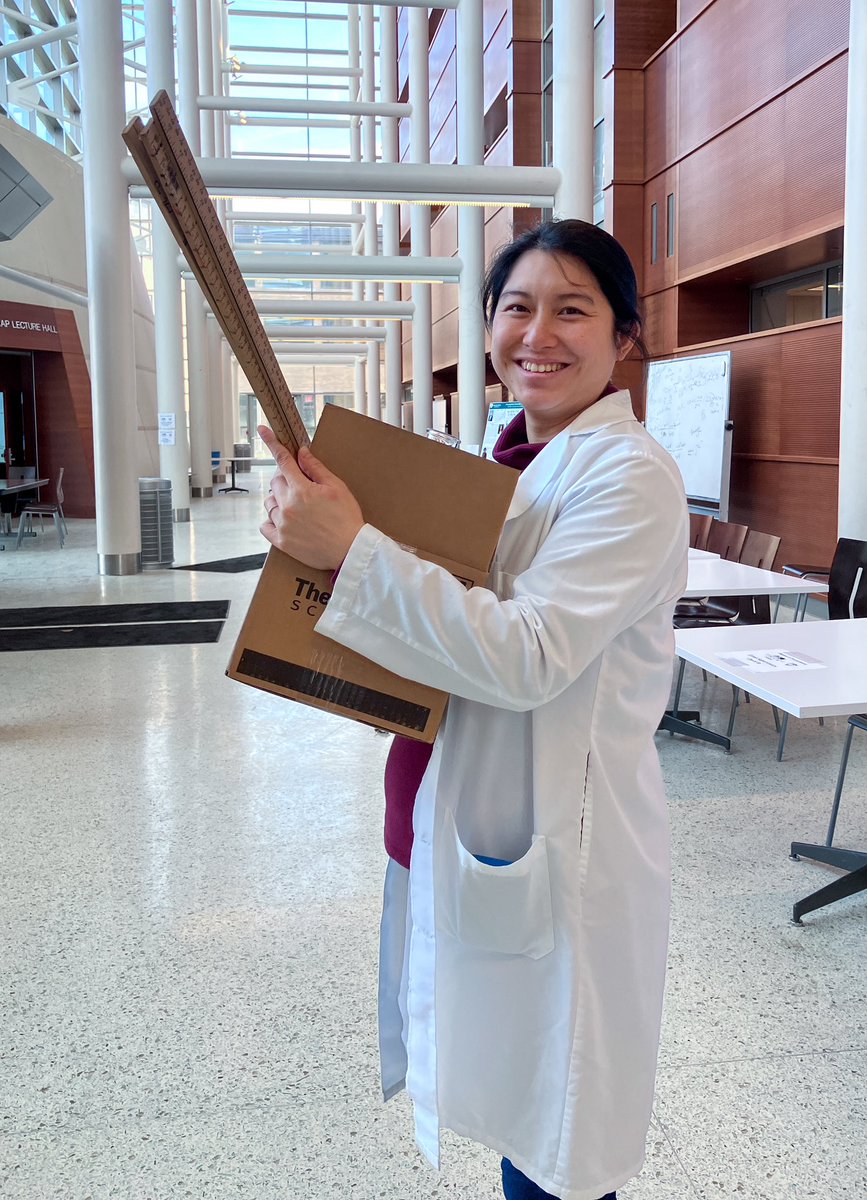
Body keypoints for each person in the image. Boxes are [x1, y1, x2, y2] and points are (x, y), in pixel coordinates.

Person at [259, 219, 688, 1200]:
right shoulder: (504, 467)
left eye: (572, 309)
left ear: (624, 336)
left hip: (567, 856)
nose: (537, 332)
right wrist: (311, 552)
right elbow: (437, 628)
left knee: (556, 1132)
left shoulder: (629, 479)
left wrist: (351, 554)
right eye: (516, 307)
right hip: (474, 827)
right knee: (511, 1105)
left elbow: (529, 652)